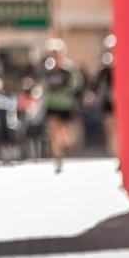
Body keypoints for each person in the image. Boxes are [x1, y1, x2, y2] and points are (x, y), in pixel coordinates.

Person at [42, 40, 84, 173]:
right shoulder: (47, 68)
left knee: (64, 133)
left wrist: (68, 91)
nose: (54, 55)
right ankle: (57, 159)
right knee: (53, 132)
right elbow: (43, 84)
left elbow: (78, 84)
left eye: (56, 52)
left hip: (66, 105)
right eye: (52, 53)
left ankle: (68, 143)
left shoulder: (69, 68)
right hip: (52, 104)